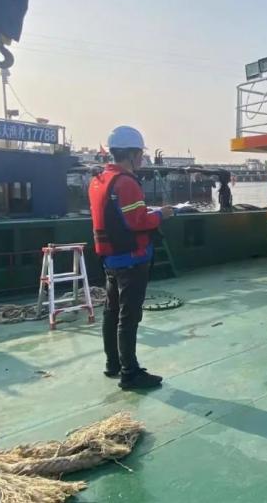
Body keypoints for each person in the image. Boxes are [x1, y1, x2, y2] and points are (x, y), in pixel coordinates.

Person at [89, 126, 174, 390]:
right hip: (132, 258)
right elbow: (137, 221)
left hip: (110, 259)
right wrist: (161, 215)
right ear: (132, 154)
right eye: (140, 154)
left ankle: (113, 363)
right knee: (129, 316)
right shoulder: (126, 182)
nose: (141, 158)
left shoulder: (99, 180)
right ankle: (130, 373)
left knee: (111, 311)